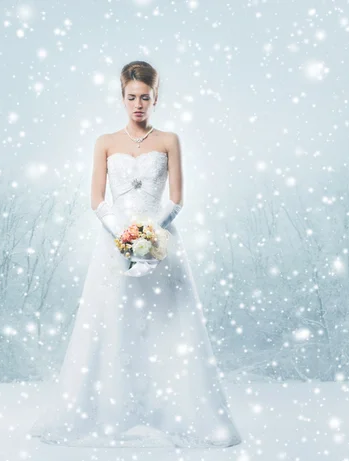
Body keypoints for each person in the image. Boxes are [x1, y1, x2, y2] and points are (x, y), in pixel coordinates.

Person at [29, 60, 242, 448]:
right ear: (121, 97)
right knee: (111, 325)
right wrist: (124, 238)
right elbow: (96, 199)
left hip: (161, 241)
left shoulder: (169, 141)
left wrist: (150, 236)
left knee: (167, 327)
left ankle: (174, 412)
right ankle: (109, 412)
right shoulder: (105, 142)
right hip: (115, 244)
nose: (138, 104)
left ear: (156, 97)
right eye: (131, 97)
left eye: (145, 97)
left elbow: (177, 198)